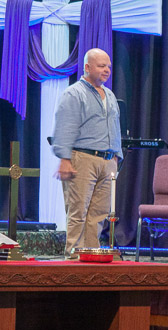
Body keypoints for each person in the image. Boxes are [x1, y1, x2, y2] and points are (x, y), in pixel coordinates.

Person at [52, 48, 122, 258]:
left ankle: (90, 257)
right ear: (87, 67)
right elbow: (65, 126)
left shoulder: (110, 95)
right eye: (101, 66)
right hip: (82, 158)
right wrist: (65, 158)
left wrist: (116, 156)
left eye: (108, 66)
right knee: (78, 212)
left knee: (99, 214)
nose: (107, 70)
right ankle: (74, 257)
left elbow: (115, 127)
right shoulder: (74, 93)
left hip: (107, 161)